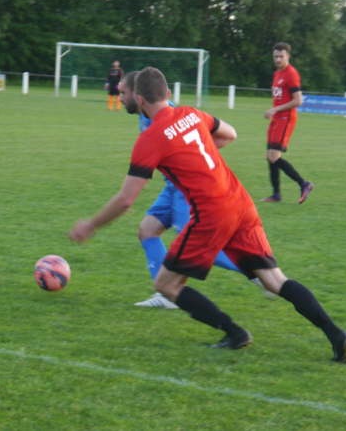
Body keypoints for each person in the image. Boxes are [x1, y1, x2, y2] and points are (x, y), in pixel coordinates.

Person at [69, 67, 346, 363]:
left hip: (212, 213)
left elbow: (126, 199)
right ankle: (337, 334)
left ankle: (234, 332)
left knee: (166, 285)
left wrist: (91, 225)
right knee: (274, 280)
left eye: (127, 95)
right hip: (241, 203)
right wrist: (195, 150)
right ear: (168, 94)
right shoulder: (192, 114)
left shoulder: (150, 138)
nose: (123, 97)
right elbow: (229, 133)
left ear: (140, 99)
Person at [117, 71, 276, 309]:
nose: (118, 97)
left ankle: (256, 272)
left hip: (187, 189)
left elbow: (222, 135)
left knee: (195, 242)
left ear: (137, 95)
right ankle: (166, 296)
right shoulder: (144, 115)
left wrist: (190, 159)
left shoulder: (165, 114)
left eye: (122, 92)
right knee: (147, 230)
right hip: (170, 188)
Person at [260, 42, 314, 204]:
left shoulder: (291, 74)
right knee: (270, 157)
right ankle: (276, 195)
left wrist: (275, 110)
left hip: (286, 119)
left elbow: (298, 101)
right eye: (275, 56)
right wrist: (274, 111)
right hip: (277, 119)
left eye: (281, 56)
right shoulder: (278, 73)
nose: (278, 59)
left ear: (288, 56)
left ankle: (304, 184)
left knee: (274, 156)